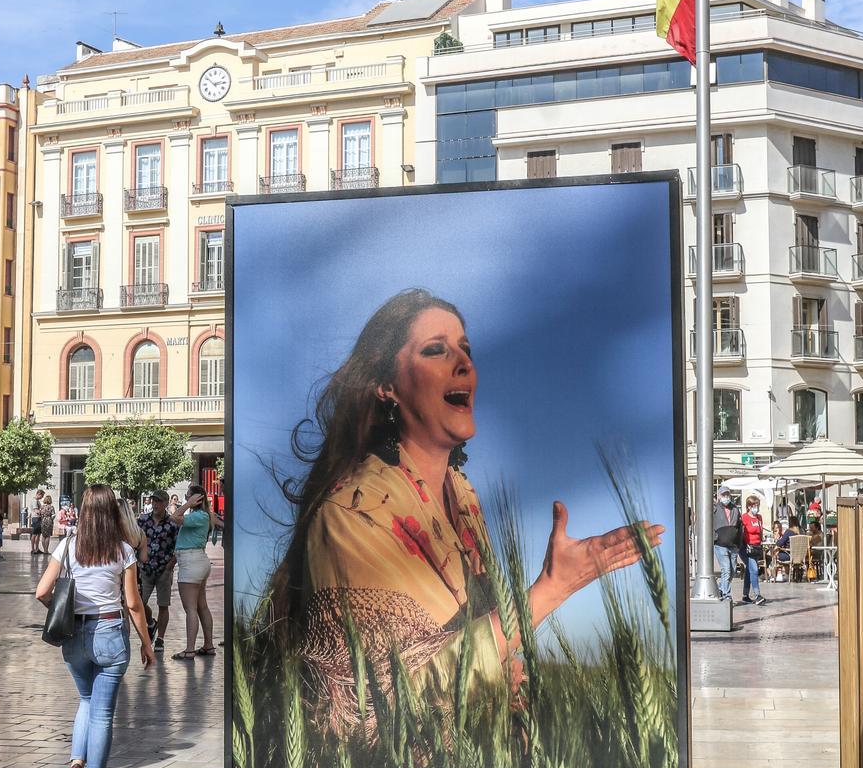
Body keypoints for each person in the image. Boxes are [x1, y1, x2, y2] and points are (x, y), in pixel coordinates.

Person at [270, 289, 662, 736]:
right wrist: (552, 590)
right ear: (386, 386)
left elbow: (479, 642)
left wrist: (505, 674)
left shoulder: (463, 497)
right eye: (436, 350)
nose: (464, 363)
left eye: (466, 350)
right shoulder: (350, 515)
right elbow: (386, 701)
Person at [35, 485, 155, 768]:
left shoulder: (68, 546)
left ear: (84, 511)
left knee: (86, 701)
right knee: (102, 713)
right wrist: (147, 643)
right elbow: (133, 604)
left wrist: (63, 613)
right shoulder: (123, 551)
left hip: (74, 635)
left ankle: (76, 764)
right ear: (112, 514)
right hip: (110, 633)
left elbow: (42, 591)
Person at [170, 484, 222, 661]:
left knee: (190, 608)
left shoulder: (199, 516)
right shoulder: (202, 515)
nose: (186, 498)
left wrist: (186, 504)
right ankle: (208, 645)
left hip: (191, 563)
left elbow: (174, 517)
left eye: (188, 495)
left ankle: (190, 649)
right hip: (197, 561)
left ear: (196, 499)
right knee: (201, 606)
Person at [138, 490, 177, 652]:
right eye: (153, 501)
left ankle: (160, 638)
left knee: (163, 604)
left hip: (163, 569)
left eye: (159, 501)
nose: (155, 504)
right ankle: (150, 623)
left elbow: (177, 546)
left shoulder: (172, 523)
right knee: (140, 601)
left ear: (166, 503)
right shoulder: (143, 521)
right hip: (145, 570)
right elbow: (136, 540)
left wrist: (169, 565)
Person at [712, 484, 742, 601]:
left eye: (727, 494)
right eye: (723, 494)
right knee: (726, 569)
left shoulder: (735, 509)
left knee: (733, 571)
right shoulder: (715, 508)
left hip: (733, 545)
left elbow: (739, 526)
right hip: (720, 544)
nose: (726, 496)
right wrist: (715, 537)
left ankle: (720, 587)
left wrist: (739, 543)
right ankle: (726, 595)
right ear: (719, 496)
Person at [740, 494, 765, 605]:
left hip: (756, 547)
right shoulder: (744, 517)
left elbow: (760, 531)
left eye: (758, 505)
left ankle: (745, 595)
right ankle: (757, 595)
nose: (757, 508)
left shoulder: (759, 517)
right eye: (755, 505)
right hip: (746, 547)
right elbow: (741, 532)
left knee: (750, 571)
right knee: (754, 570)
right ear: (749, 506)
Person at [30, 489, 44, 555]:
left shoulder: (37, 501)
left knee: (38, 534)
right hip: (36, 518)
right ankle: (33, 549)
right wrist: (43, 512)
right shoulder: (35, 501)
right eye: (42, 496)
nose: (42, 497)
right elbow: (36, 510)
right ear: (38, 494)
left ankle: (37, 549)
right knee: (34, 534)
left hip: (37, 518)